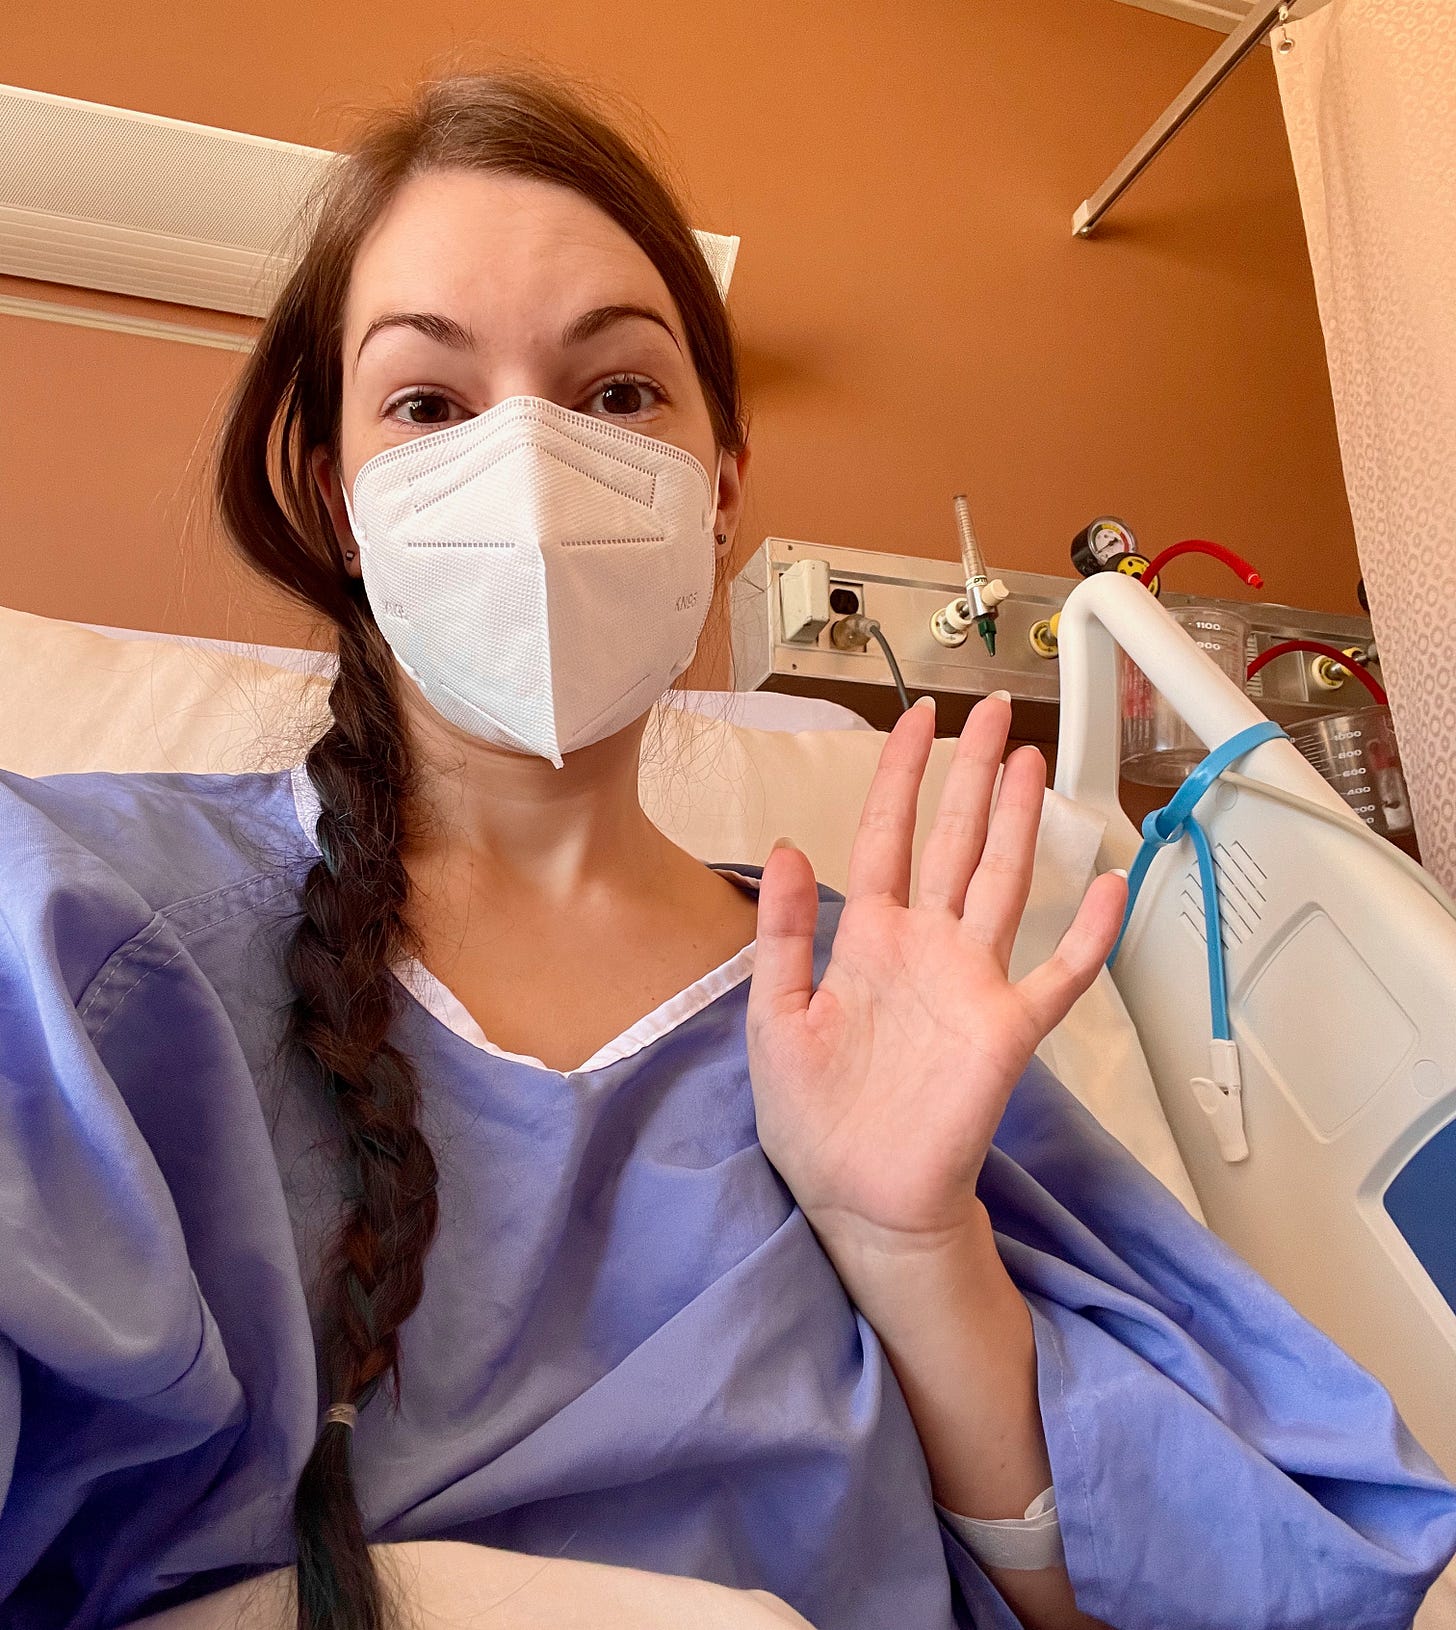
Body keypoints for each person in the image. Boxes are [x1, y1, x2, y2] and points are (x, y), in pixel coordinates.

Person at [1, 67, 1452, 1630]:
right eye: (428, 402)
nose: (532, 466)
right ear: (342, 500)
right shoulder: (82, 930)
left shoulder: (889, 1005)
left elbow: (1235, 1596)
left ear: (723, 493)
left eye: (618, 393)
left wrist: (912, 1244)